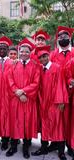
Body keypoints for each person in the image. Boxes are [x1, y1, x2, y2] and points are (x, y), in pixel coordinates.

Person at [31, 45, 69, 160]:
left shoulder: (56, 67)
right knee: (44, 126)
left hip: (55, 102)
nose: (42, 59)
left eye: (44, 56)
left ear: (48, 55)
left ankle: (61, 151)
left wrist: (61, 101)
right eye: (40, 57)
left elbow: (61, 84)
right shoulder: (39, 69)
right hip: (43, 102)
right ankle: (43, 147)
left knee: (58, 126)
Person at [7, 38, 40, 159]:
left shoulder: (35, 66)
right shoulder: (13, 65)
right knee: (15, 122)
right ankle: (14, 146)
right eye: (22, 51)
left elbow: (36, 83)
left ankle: (26, 146)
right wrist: (18, 92)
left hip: (28, 100)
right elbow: (9, 80)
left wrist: (24, 92)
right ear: (19, 52)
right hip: (16, 99)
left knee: (27, 123)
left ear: (30, 52)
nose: (24, 53)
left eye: (27, 51)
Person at [50, 26, 74, 158]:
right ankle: (57, 145)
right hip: (57, 93)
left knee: (70, 122)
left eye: (65, 36)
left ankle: (70, 146)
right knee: (58, 120)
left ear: (70, 38)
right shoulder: (53, 55)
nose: (62, 38)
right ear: (57, 39)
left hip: (72, 93)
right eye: (60, 36)